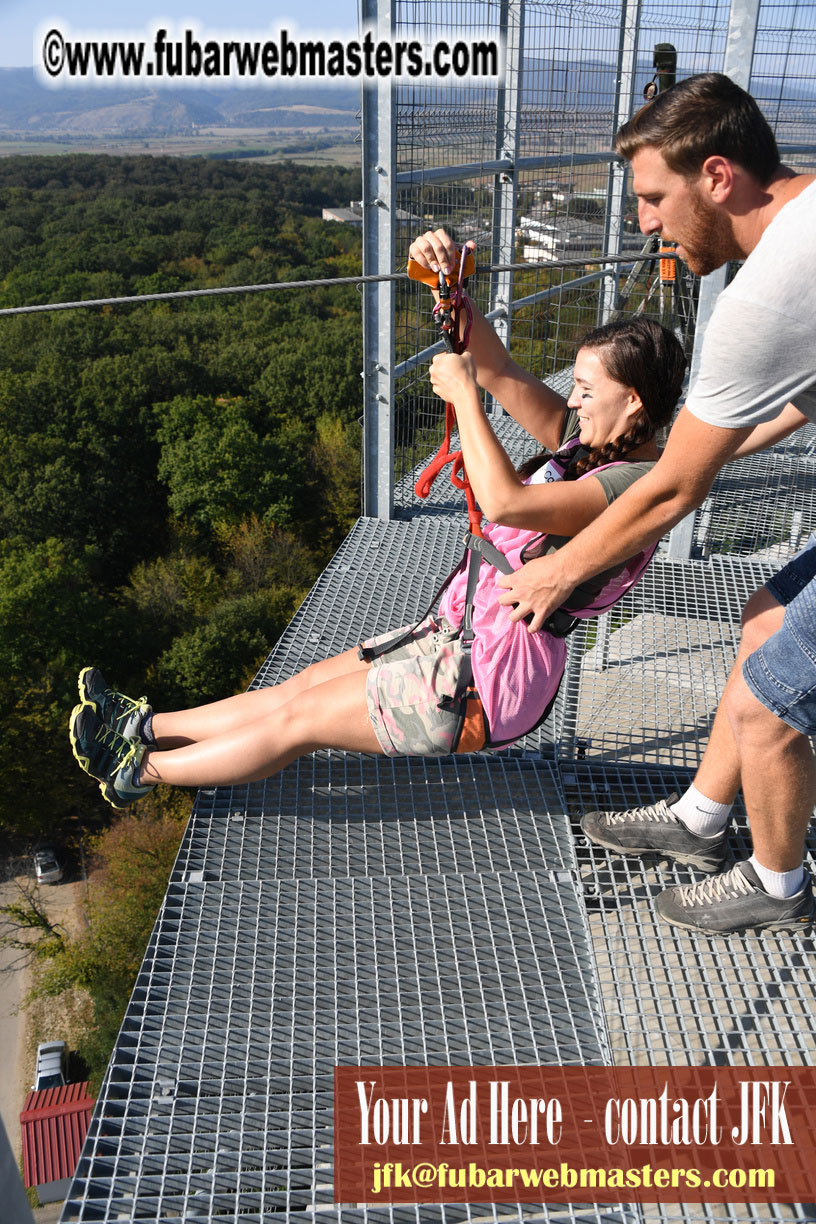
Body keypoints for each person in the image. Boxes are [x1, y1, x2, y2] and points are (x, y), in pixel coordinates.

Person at [69, 246, 686, 812]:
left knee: (302, 720)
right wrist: (451, 290)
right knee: (302, 688)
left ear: (633, 401)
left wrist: (467, 403)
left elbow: (505, 503)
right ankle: (146, 726)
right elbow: (497, 368)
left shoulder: (630, 485)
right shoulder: (589, 448)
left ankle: (139, 771)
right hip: (459, 636)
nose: (572, 401)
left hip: (488, 682)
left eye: (584, 389)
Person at [496, 72, 816, 936]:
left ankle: (780, 887)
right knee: (765, 620)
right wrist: (697, 450)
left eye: (651, 197)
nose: (643, 223)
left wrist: (557, 573)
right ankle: (700, 822)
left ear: (718, 176)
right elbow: (793, 400)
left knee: (769, 696)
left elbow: (674, 488)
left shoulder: (765, 296)